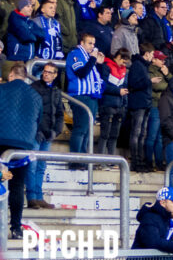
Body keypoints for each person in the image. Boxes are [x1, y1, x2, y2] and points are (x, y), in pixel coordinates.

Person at [0, 63, 41, 238]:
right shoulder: (36, 96)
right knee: (17, 187)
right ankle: (15, 228)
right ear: (25, 77)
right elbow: (38, 121)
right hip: (23, 146)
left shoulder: (2, 89)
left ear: (11, 75)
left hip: (1, 141)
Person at [27, 61, 61, 209]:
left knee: (41, 167)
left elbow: (60, 113)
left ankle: (39, 197)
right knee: (32, 166)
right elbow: (30, 112)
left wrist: (56, 131)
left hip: (48, 135)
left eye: (49, 72)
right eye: (45, 71)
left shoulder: (56, 91)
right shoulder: (34, 88)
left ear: (55, 75)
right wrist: (37, 130)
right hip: (36, 134)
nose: (46, 74)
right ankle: (32, 197)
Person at [66, 32, 105, 159]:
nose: (92, 46)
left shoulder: (89, 57)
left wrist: (98, 63)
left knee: (88, 131)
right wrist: (93, 59)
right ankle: (76, 159)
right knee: (81, 129)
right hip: (80, 96)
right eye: (89, 43)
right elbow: (82, 73)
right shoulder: (75, 54)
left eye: (93, 44)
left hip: (92, 96)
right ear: (81, 43)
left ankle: (83, 158)